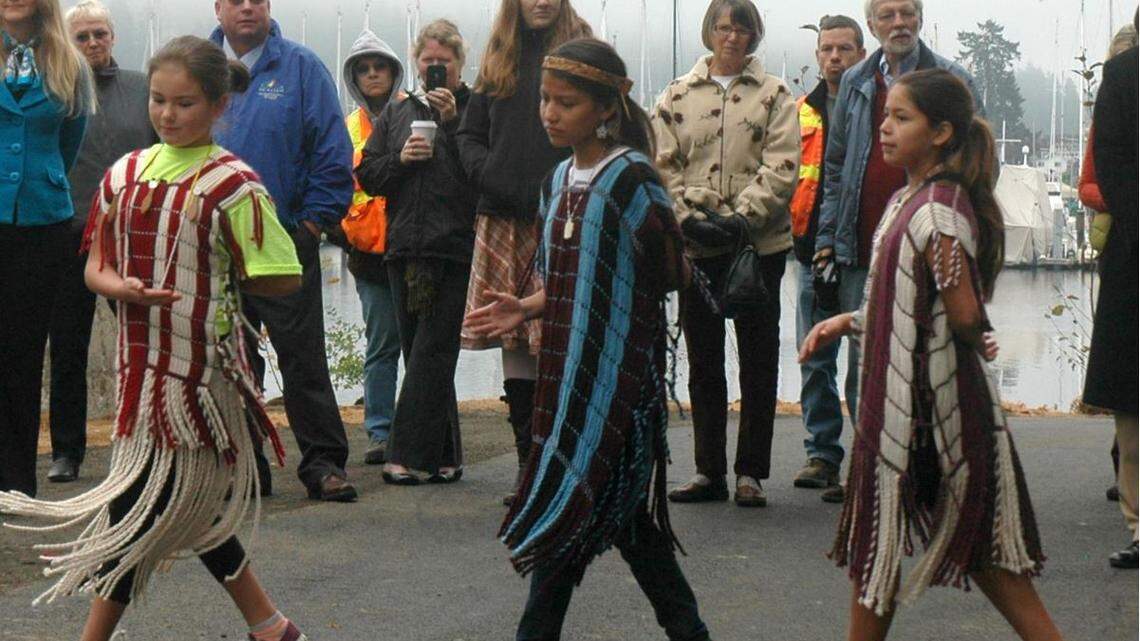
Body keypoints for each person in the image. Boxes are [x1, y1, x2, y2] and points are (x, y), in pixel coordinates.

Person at [0, 35, 310, 641]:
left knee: (138, 504)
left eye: (185, 104)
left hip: (199, 377)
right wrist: (123, 289)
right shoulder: (125, 173)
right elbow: (95, 267)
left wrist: (220, 274)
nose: (168, 115)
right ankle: (270, 625)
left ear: (219, 105)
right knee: (184, 505)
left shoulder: (234, 184)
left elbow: (285, 277)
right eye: (160, 102)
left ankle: (101, 636)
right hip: (139, 372)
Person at [799, 68, 1063, 641]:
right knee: (888, 554)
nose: (886, 128)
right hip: (906, 410)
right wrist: (846, 321)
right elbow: (907, 300)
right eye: (885, 116)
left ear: (941, 131)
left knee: (966, 558)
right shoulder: (908, 198)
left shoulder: (939, 209)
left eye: (902, 118)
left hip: (933, 414)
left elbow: (961, 310)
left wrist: (975, 332)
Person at [465, 37, 709, 641]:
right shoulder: (555, 183)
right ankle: (691, 632)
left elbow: (671, 273)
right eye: (546, 100)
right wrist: (523, 305)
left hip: (621, 386)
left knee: (576, 519)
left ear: (605, 109)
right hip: (569, 382)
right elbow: (566, 280)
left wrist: (646, 272)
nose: (549, 112)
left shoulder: (632, 179)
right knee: (623, 525)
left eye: (565, 102)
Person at [811, 0, 981, 504]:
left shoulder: (951, 79)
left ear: (921, 18)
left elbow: (976, 160)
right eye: (887, 15)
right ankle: (868, 466)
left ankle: (926, 466)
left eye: (907, 12)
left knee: (928, 355)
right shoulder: (857, 82)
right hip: (862, 241)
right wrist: (826, 240)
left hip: (928, 236)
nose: (899, 23)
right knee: (866, 364)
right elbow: (836, 168)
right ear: (872, 24)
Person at [653, 0, 799, 508]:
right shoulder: (675, 94)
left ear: (753, 34)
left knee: (759, 362)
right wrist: (687, 217)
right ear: (709, 32)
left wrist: (741, 218)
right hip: (696, 247)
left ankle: (750, 474)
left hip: (758, 247)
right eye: (722, 26)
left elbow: (783, 166)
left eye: (741, 28)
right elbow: (661, 164)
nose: (731, 36)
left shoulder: (777, 95)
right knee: (704, 361)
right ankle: (708, 471)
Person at [210, 0, 357, 502]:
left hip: (284, 239)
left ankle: (323, 463)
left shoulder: (301, 67)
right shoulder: (199, 67)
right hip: (213, 244)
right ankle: (246, 465)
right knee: (230, 358)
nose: (247, 6)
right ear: (218, 8)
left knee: (302, 357)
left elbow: (332, 150)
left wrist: (314, 223)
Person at [457, 0, 592, 505]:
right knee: (516, 340)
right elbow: (468, 135)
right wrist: (487, 173)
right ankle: (529, 468)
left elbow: (608, 126)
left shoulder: (583, 48)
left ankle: (568, 464)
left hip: (565, 214)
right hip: (502, 217)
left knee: (565, 337)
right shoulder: (498, 56)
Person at [43, 0, 158, 485]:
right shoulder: (55, 91)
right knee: (68, 346)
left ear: (113, 37)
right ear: (69, 41)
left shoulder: (143, 89)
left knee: (145, 344)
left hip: (133, 236)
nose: (92, 44)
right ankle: (67, 452)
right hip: (69, 234)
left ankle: (151, 441)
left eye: (99, 35)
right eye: (83, 36)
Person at [356, 18, 474, 485]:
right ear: (416, 63)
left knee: (433, 350)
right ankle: (447, 454)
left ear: (460, 64)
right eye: (428, 61)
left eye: (444, 62)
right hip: (403, 246)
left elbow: (482, 177)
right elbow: (368, 175)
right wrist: (401, 161)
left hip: (455, 247)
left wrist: (454, 123)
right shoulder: (397, 113)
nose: (435, 69)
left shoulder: (474, 111)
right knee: (419, 350)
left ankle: (402, 454)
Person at [0, 0, 93, 498]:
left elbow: (70, 144)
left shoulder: (69, 64)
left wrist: (39, 180)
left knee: (23, 355)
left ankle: (15, 483)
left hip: (42, 226)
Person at [789, 14, 866, 502]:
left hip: (860, 252)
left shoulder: (875, 107)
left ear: (861, 52)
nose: (835, 57)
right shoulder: (800, 111)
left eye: (844, 48)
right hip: (807, 251)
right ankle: (822, 454)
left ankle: (869, 460)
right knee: (815, 355)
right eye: (827, 49)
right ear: (817, 55)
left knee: (865, 360)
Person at [333, 28, 405, 466]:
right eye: (364, 68)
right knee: (382, 345)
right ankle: (380, 433)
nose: (373, 74)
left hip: (415, 249)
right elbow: (334, 183)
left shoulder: (415, 116)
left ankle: (422, 427)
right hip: (368, 255)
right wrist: (341, 232)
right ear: (355, 78)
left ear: (394, 73)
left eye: (380, 67)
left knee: (422, 348)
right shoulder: (345, 130)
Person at [1084, 13, 1138, 570]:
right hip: (1136, 250)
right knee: (1133, 403)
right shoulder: (1123, 77)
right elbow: (1113, 163)